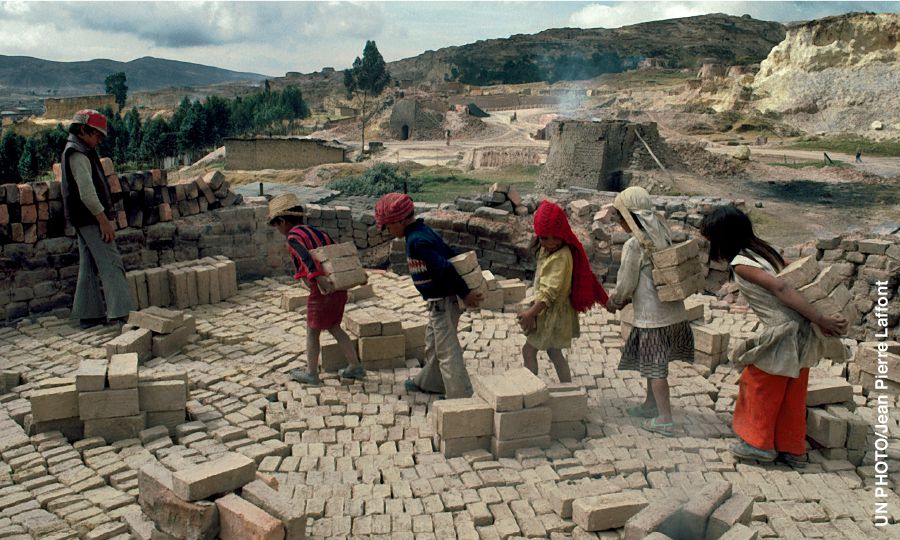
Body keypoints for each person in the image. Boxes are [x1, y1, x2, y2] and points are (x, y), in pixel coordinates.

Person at [700, 206, 848, 465]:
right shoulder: (763, 251)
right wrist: (816, 318)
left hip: (781, 333)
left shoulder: (742, 264)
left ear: (724, 237)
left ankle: (759, 445)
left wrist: (821, 318)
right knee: (792, 394)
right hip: (801, 332)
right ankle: (792, 449)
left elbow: (781, 287)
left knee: (759, 387)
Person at [605, 187, 694, 437]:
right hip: (673, 312)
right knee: (653, 363)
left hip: (652, 318)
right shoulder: (661, 234)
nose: (620, 223)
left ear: (631, 217)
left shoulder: (635, 245)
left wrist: (617, 300)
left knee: (656, 368)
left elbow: (626, 281)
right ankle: (650, 404)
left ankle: (665, 418)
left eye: (621, 217)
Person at [375, 192, 482, 398]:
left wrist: (466, 293)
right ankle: (429, 383)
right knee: (433, 345)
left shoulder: (417, 241)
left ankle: (459, 396)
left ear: (399, 221)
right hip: (437, 303)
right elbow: (449, 252)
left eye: (388, 226)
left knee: (446, 351)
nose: (388, 231)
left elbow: (444, 267)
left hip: (443, 302)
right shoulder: (423, 232)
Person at [267, 193, 365, 385]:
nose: (278, 229)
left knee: (312, 331)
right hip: (338, 287)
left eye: (276, 225)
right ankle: (355, 366)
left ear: (282, 221)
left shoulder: (294, 236)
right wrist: (355, 273)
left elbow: (305, 257)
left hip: (322, 290)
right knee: (334, 326)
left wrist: (317, 277)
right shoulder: (318, 232)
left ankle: (311, 373)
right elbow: (339, 252)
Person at [517, 200, 608, 383]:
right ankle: (567, 386)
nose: (550, 242)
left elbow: (550, 292)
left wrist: (530, 313)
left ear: (563, 234)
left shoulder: (561, 257)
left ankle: (528, 390)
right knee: (554, 351)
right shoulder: (547, 250)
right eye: (544, 238)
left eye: (554, 237)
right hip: (550, 312)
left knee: (528, 351)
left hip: (549, 313)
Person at [60, 109, 134, 328]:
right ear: (83, 130)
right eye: (97, 135)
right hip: (90, 217)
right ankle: (122, 314)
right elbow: (87, 193)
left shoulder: (80, 149)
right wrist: (104, 221)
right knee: (111, 263)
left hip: (83, 218)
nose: (99, 140)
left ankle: (88, 314)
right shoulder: (77, 153)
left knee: (89, 264)